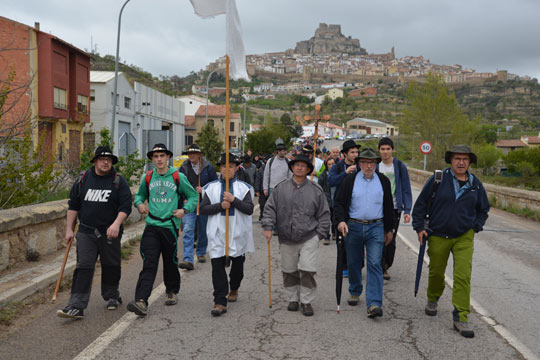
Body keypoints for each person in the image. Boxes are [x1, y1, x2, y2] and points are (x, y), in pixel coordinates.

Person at [412, 145, 490, 338]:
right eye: (457, 158)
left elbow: (483, 209)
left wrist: (475, 227)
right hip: (438, 234)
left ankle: (461, 316)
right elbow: (421, 204)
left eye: (465, 159)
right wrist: (419, 227)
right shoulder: (438, 179)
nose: (461, 162)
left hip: (464, 236)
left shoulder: (475, 184)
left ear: (470, 162)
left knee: (463, 275)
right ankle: (433, 297)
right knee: (437, 271)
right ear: (451, 160)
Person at [57, 146, 132, 319]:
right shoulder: (83, 179)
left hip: (109, 232)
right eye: (102, 159)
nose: (105, 162)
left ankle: (112, 295)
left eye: (109, 159)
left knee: (111, 265)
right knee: (83, 267)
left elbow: (125, 207)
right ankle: (76, 305)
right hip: (86, 231)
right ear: (95, 161)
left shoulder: (118, 180)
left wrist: (116, 224)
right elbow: (73, 206)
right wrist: (69, 229)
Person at [127, 144, 199, 316]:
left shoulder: (177, 176)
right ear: (152, 159)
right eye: (156, 156)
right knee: (149, 262)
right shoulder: (148, 177)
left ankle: (172, 290)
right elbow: (140, 195)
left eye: (162, 156)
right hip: (152, 225)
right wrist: (139, 204)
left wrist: (185, 210)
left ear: (168, 157)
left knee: (170, 261)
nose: (159, 159)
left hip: (170, 226)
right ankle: (141, 301)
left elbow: (193, 196)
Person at [262, 154, 330, 317]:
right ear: (292, 168)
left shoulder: (316, 190)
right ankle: (293, 298)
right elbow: (270, 208)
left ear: (308, 170)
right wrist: (268, 226)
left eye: (303, 165)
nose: (299, 168)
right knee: (289, 270)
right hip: (286, 237)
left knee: (307, 269)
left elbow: (324, 214)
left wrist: (319, 235)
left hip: (309, 236)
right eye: (296, 165)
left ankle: (306, 301)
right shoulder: (281, 188)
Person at [334, 148, 395, 319]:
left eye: (372, 163)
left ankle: (374, 303)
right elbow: (339, 203)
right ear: (359, 163)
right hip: (353, 226)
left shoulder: (383, 181)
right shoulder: (350, 180)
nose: (369, 166)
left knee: (375, 263)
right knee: (354, 262)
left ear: (376, 164)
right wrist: (340, 221)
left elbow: (388, 206)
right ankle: (354, 289)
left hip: (376, 226)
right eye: (365, 162)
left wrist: (389, 229)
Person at [199, 153, 255, 316]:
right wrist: (220, 206)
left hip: (237, 232)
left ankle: (235, 287)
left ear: (236, 168)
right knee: (217, 266)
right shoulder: (210, 188)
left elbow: (249, 209)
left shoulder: (244, 188)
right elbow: (203, 209)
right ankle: (219, 301)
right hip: (217, 232)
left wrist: (234, 200)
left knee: (237, 267)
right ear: (220, 168)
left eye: (230, 166)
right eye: (224, 166)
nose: (226, 169)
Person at [377, 137, 413, 280]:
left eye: (388, 149)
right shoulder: (376, 166)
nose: (385, 152)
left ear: (392, 150)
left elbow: (406, 188)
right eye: (383, 149)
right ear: (379, 150)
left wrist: (407, 210)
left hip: (395, 208)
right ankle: (379, 265)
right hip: (378, 208)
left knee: (390, 238)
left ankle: (386, 265)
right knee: (378, 238)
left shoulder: (399, 166)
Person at [178, 144, 218, 270]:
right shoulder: (183, 168)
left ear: (199, 155)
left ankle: (200, 252)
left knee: (203, 228)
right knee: (188, 229)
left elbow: (215, 184)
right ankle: (188, 259)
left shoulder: (208, 167)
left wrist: (204, 189)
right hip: (189, 203)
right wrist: (184, 197)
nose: (191, 156)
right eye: (190, 154)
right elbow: (178, 184)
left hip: (204, 202)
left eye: (194, 153)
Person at [318, 157, 336, 245]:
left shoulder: (338, 174)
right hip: (326, 200)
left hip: (336, 199)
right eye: (329, 164)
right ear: (326, 165)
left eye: (333, 164)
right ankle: (326, 237)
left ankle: (334, 233)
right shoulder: (323, 175)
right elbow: (319, 187)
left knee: (335, 219)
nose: (331, 166)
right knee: (326, 220)